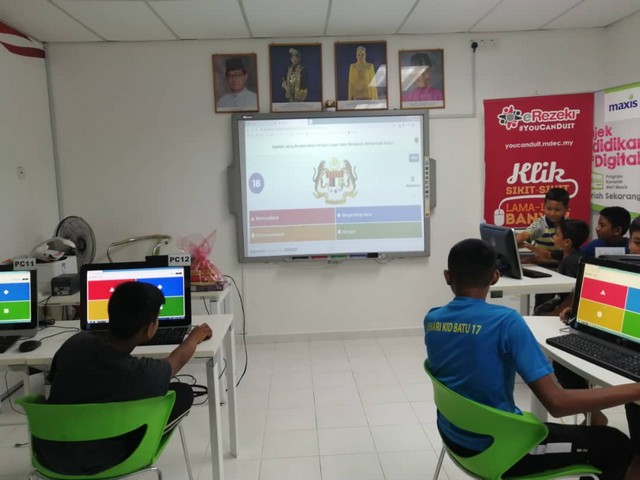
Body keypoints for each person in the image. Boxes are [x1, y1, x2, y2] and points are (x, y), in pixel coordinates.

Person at [424, 238, 640, 479]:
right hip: (505, 450)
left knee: (595, 435)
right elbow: (557, 404)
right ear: (495, 277)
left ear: (447, 276)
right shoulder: (506, 322)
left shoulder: (432, 319)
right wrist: (635, 389)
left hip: (455, 437)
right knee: (617, 445)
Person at [44, 281, 213, 475]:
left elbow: (52, 380)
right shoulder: (141, 373)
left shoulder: (75, 343)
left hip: (50, 454)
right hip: (107, 461)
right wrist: (194, 337)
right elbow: (177, 361)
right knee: (181, 393)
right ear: (150, 329)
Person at [533, 218, 590, 316]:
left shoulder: (570, 263)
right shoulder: (570, 255)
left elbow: (574, 294)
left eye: (556, 234)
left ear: (567, 242)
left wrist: (554, 313)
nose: (553, 237)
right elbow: (547, 254)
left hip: (567, 311)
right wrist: (527, 246)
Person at [516, 187, 570, 262]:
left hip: (560, 264)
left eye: (557, 210)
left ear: (566, 209)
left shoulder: (569, 225)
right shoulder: (540, 223)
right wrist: (515, 240)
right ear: (544, 206)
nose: (552, 213)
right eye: (549, 209)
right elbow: (524, 235)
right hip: (540, 264)